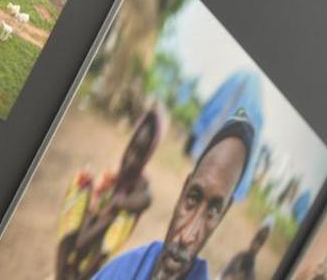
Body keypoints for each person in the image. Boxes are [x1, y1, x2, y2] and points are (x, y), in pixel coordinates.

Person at [93, 115, 256, 280]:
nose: (186, 236)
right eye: (192, 199)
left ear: (222, 216)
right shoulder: (126, 269)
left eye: (212, 212)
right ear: (183, 191)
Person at [57, 108, 164, 280]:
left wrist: (116, 204)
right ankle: (59, 274)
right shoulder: (112, 178)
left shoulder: (140, 189)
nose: (131, 159)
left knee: (124, 217)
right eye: (132, 149)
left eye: (140, 155)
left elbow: (147, 199)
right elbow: (80, 240)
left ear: (147, 157)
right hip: (77, 252)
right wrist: (93, 202)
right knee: (81, 181)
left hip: (91, 263)